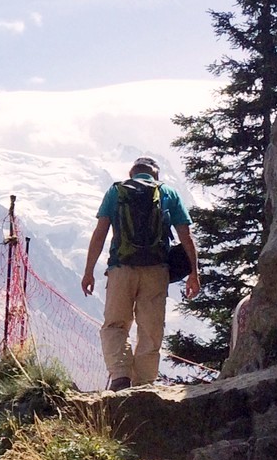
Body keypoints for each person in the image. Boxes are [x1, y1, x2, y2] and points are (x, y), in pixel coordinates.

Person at [81, 156, 200, 391]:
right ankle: (144, 384)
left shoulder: (116, 192)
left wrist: (88, 272)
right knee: (150, 328)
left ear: (131, 173)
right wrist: (194, 273)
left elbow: (100, 233)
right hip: (156, 271)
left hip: (121, 269)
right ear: (155, 174)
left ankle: (121, 376)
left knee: (115, 324)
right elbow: (186, 237)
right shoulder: (169, 193)